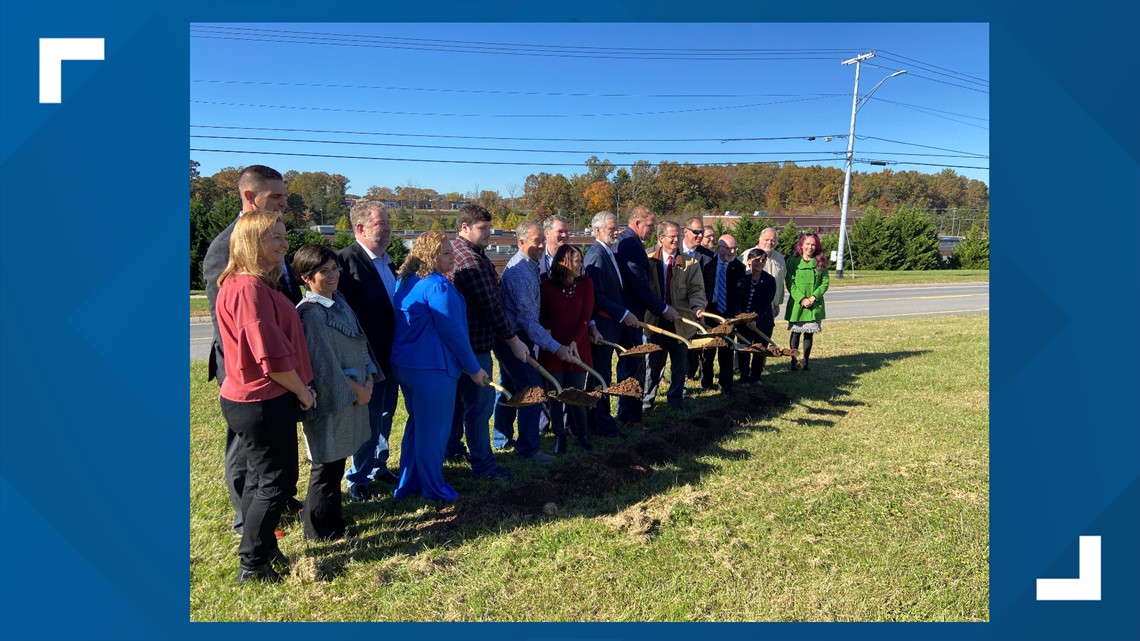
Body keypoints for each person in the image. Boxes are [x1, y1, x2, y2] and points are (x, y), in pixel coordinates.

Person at [202, 164, 303, 537]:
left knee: (272, 449)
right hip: (246, 370)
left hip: (275, 360)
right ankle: (247, 515)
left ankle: (274, 499)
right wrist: (247, 371)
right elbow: (227, 321)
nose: (283, 203)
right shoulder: (227, 245)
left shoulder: (271, 236)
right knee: (245, 447)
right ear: (249, 196)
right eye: (275, 196)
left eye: (284, 196)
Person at [215, 211, 315, 584]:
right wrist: (303, 390)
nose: (283, 243)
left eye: (284, 235)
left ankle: (262, 550)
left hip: (260, 398)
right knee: (277, 482)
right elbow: (270, 358)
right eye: (274, 236)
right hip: (261, 399)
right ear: (252, 242)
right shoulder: (248, 289)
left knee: (262, 479)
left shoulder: (250, 284)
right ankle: (253, 564)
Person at [390, 232, 490, 501]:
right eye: (446, 253)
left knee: (417, 425)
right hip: (432, 369)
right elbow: (454, 333)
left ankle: (409, 482)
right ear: (429, 256)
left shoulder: (407, 280)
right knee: (434, 431)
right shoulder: (437, 286)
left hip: (407, 365)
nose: (453, 257)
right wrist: (474, 368)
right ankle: (433, 488)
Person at [293, 245, 377, 540]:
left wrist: (368, 377)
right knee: (325, 466)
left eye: (334, 268)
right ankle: (318, 530)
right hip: (332, 400)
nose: (332, 275)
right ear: (306, 278)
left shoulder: (339, 301)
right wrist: (355, 390)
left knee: (336, 464)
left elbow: (359, 341)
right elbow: (322, 364)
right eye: (323, 271)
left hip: (353, 395)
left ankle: (333, 522)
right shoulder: (311, 314)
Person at [447, 204, 529, 479]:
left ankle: (452, 449)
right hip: (474, 345)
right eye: (482, 229)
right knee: (479, 407)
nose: (488, 234)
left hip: (459, 345)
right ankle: (483, 464)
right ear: (464, 228)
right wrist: (513, 340)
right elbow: (491, 307)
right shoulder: (468, 261)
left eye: (489, 228)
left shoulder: (465, 252)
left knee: (459, 403)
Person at [335, 201, 401, 501]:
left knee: (386, 414)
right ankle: (357, 477)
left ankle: (379, 465)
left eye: (388, 223)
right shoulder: (344, 263)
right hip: (364, 359)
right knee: (367, 420)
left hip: (391, 355)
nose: (387, 229)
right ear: (360, 228)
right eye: (380, 224)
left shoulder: (388, 261)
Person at [497, 220, 577, 463]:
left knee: (510, 388)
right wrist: (557, 347)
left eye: (543, 240)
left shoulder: (530, 264)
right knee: (534, 391)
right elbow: (530, 322)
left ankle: (501, 439)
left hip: (513, 336)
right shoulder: (521, 272)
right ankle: (528, 449)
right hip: (514, 339)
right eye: (536, 242)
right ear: (521, 242)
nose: (542, 245)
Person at [614, 205, 677, 427]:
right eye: (650, 225)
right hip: (631, 316)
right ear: (638, 223)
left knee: (629, 365)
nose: (652, 229)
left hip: (626, 314)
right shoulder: (631, 244)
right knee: (634, 366)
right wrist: (663, 309)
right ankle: (630, 417)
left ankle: (624, 413)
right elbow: (638, 286)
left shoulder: (625, 240)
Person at [582, 211, 639, 438]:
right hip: (603, 327)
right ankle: (601, 424)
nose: (616, 232)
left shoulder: (609, 252)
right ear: (597, 231)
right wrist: (623, 313)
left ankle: (597, 421)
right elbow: (596, 295)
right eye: (611, 229)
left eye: (616, 228)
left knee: (602, 375)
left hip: (613, 326)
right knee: (600, 376)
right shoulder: (596, 254)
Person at [642, 221, 706, 411]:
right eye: (672, 236)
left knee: (679, 363)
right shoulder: (648, 260)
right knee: (653, 364)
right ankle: (647, 402)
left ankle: (676, 400)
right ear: (661, 239)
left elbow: (697, 290)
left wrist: (697, 306)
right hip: (655, 321)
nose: (676, 239)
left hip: (680, 323)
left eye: (677, 236)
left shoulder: (690, 263)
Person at [539, 244, 596, 453]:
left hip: (577, 347)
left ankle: (583, 435)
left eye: (581, 260)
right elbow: (543, 315)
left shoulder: (586, 284)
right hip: (554, 348)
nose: (581, 265)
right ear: (564, 263)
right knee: (556, 396)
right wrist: (552, 341)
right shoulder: (547, 286)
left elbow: (585, 317)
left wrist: (573, 342)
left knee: (577, 395)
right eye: (576, 261)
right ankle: (559, 437)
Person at [681, 216, 718, 390]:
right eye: (696, 232)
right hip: (674, 309)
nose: (700, 235)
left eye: (702, 232)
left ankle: (691, 378)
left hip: (697, 309)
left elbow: (707, 287)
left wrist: (699, 308)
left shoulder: (708, 257)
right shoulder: (671, 250)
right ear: (685, 231)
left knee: (695, 348)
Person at [785, 233, 830, 371]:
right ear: (801, 245)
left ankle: (806, 361)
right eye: (807, 244)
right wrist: (801, 299)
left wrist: (813, 298)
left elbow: (825, 282)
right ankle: (794, 360)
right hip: (797, 304)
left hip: (814, 304)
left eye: (813, 245)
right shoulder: (792, 262)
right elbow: (790, 282)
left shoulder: (820, 262)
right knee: (796, 332)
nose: (810, 247)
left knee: (809, 333)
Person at [709, 234, 746, 392]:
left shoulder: (738, 268)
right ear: (719, 248)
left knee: (727, 349)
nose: (732, 252)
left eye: (735, 248)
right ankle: (706, 381)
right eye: (729, 248)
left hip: (728, 313)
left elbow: (738, 295)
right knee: (708, 350)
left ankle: (726, 384)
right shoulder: (707, 264)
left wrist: (731, 316)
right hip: (709, 311)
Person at [736, 249, 777, 385]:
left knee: (759, 350)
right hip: (743, 322)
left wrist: (755, 320)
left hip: (763, 322)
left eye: (763, 260)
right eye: (757, 260)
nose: (760, 263)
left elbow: (766, 304)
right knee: (744, 350)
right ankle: (744, 377)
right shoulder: (742, 278)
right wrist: (743, 318)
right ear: (749, 261)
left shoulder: (770, 280)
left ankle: (756, 377)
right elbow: (737, 300)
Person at [740, 227, 787, 320]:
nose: (769, 243)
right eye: (766, 240)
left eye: (773, 240)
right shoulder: (747, 256)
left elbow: (781, 281)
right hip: (749, 308)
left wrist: (777, 303)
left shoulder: (780, 258)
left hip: (771, 306)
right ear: (760, 239)